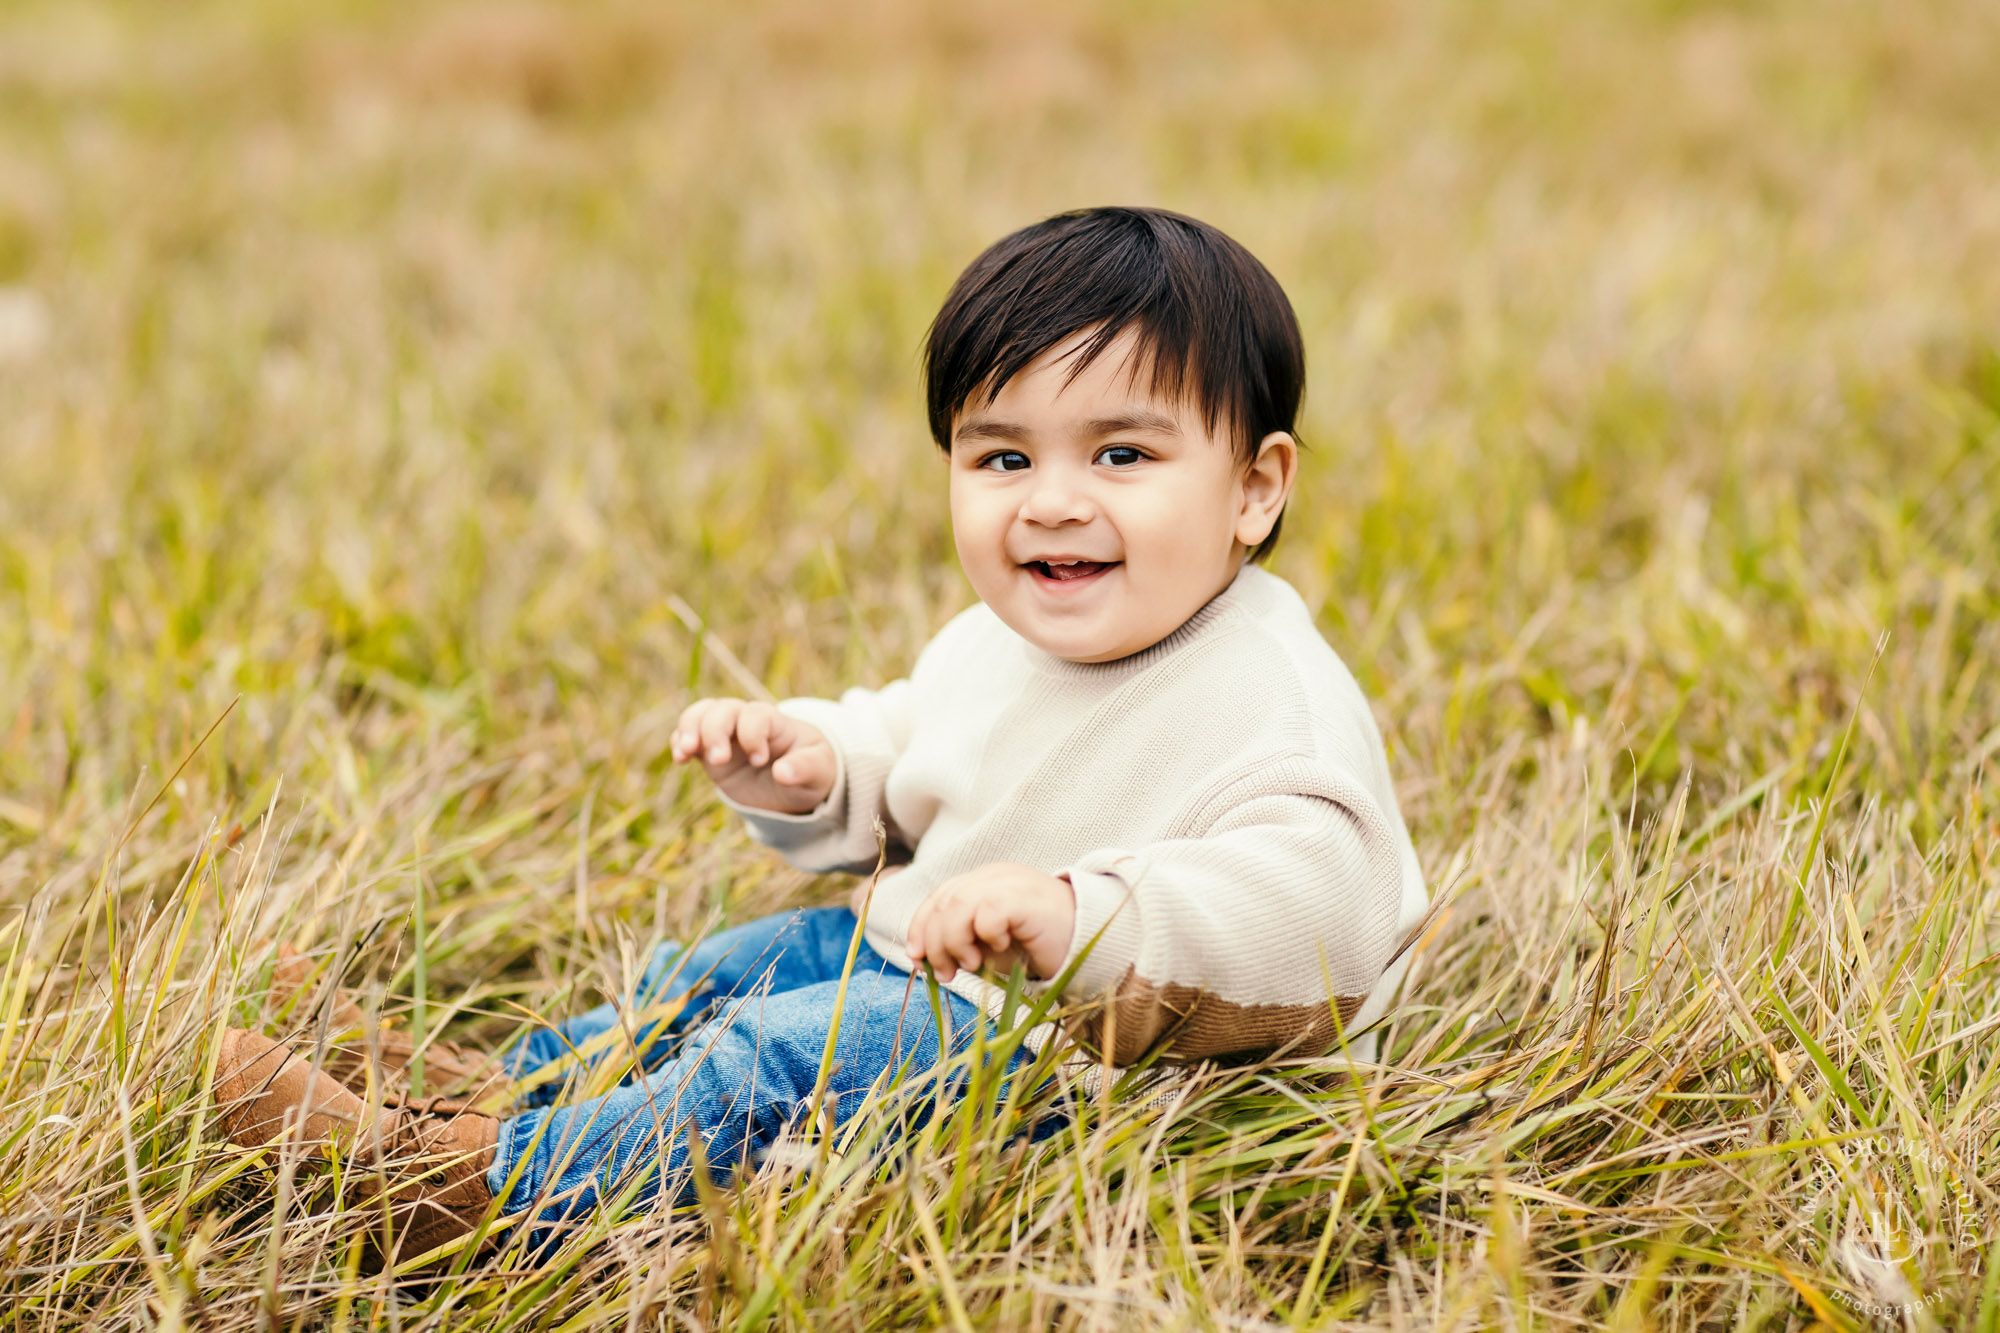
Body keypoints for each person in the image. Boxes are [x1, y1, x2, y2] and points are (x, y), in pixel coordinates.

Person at [211, 205, 1432, 1272]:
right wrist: (816, 765)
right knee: (726, 970)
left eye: (1121, 453)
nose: (1052, 498)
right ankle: (487, 1089)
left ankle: (483, 1195)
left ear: (1253, 488)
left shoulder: (1268, 692)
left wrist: (1081, 915)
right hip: (941, 983)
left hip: (1092, 1067)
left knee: (771, 1059)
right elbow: (919, 741)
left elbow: (1317, 905)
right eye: (1001, 455)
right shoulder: (1002, 641)